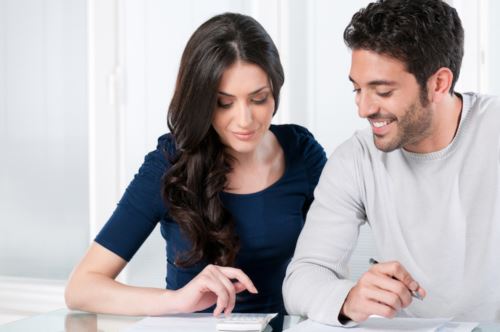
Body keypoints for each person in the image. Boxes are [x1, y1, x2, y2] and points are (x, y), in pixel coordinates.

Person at [65, 13, 326, 317]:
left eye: (259, 99)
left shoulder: (302, 153)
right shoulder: (170, 164)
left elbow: (326, 267)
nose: (245, 119)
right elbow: (81, 288)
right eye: (224, 103)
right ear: (201, 101)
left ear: (275, 91)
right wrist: (178, 300)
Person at [283, 0, 500, 326]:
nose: (363, 108)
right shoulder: (355, 159)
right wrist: (348, 298)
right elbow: (302, 278)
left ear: (438, 84)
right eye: (357, 89)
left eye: (382, 91)